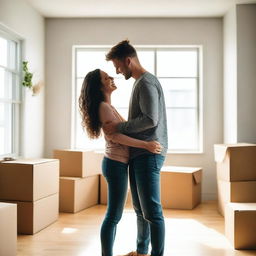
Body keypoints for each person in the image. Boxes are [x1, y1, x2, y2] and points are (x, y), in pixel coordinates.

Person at [78, 68, 163, 256]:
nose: (111, 77)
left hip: (117, 164)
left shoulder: (108, 106)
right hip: (115, 165)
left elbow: (122, 130)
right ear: (99, 86)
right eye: (106, 77)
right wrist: (146, 145)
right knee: (113, 216)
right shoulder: (104, 107)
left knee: (115, 215)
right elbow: (116, 136)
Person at [104, 40, 168, 256]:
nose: (117, 71)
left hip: (148, 154)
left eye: (118, 66)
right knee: (140, 210)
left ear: (128, 60)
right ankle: (142, 252)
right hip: (140, 154)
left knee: (152, 211)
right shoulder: (140, 83)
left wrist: (119, 126)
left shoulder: (146, 83)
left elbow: (150, 119)